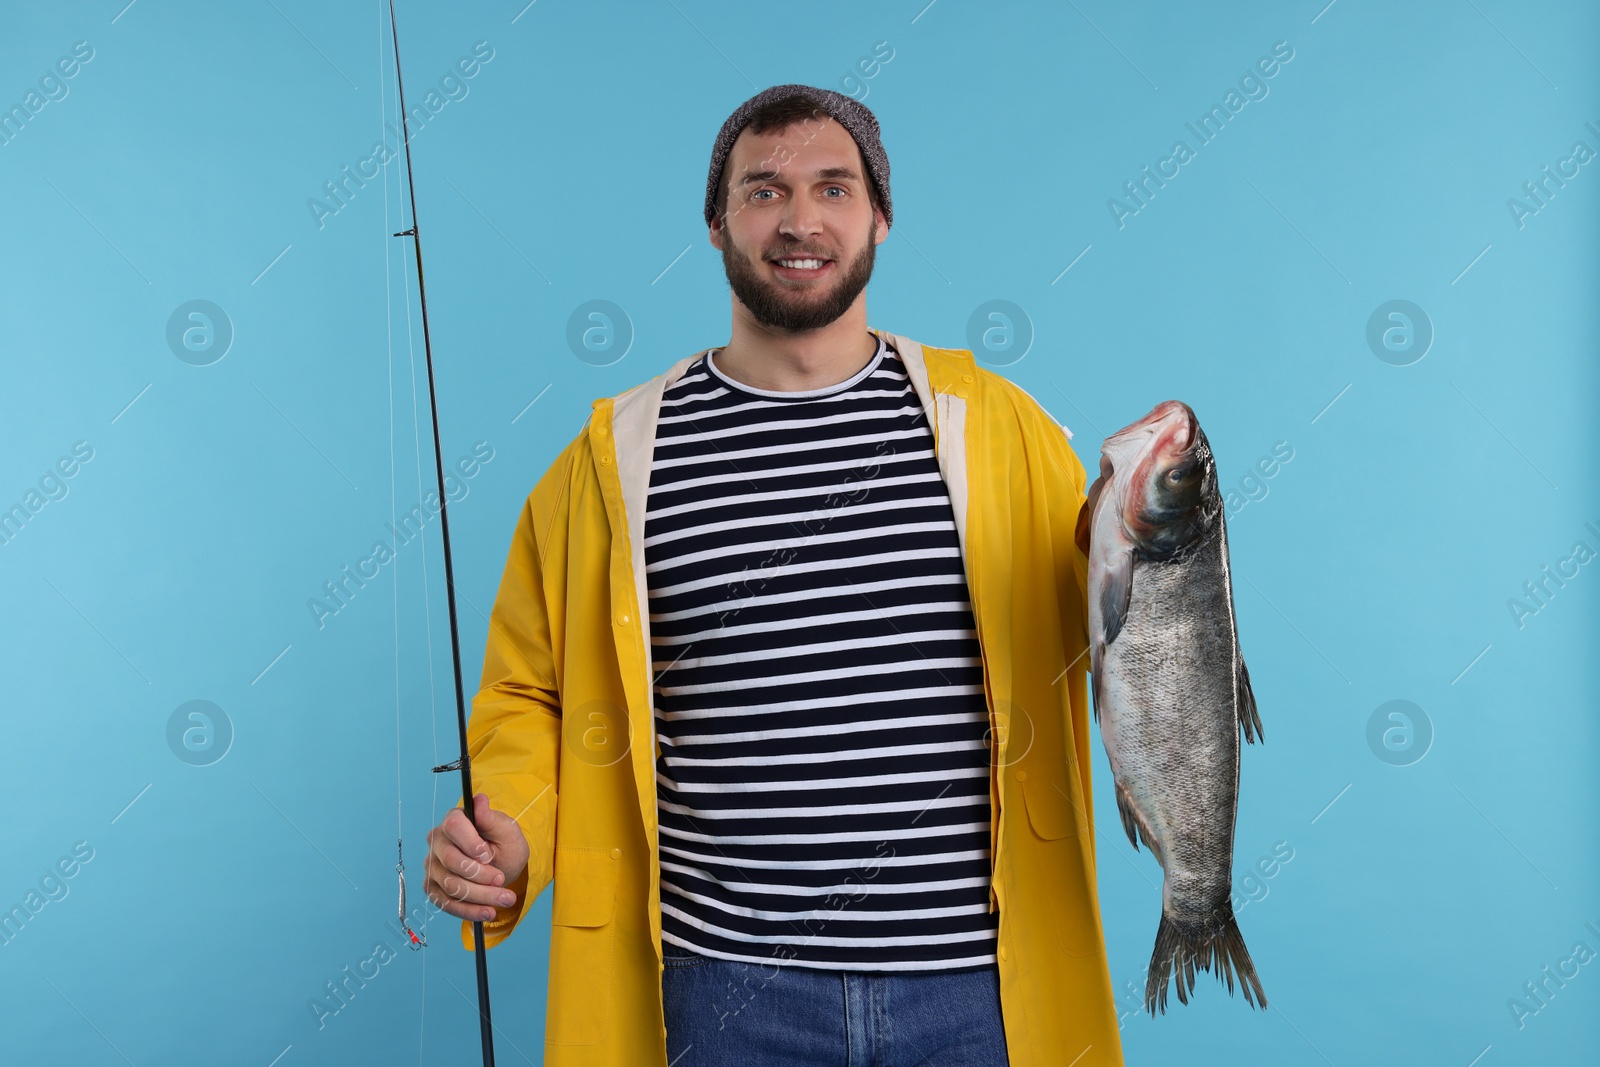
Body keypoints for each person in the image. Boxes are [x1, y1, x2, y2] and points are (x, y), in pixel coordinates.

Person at [424, 84, 1125, 1066]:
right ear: (716, 225)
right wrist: (514, 832)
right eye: (763, 191)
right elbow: (529, 693)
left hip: (976, 990)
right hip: (721, 992)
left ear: (879, 215)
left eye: (832, 187)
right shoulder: (612, 460)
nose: (799, 219)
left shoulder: (1000, 429)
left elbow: (1125, 639)